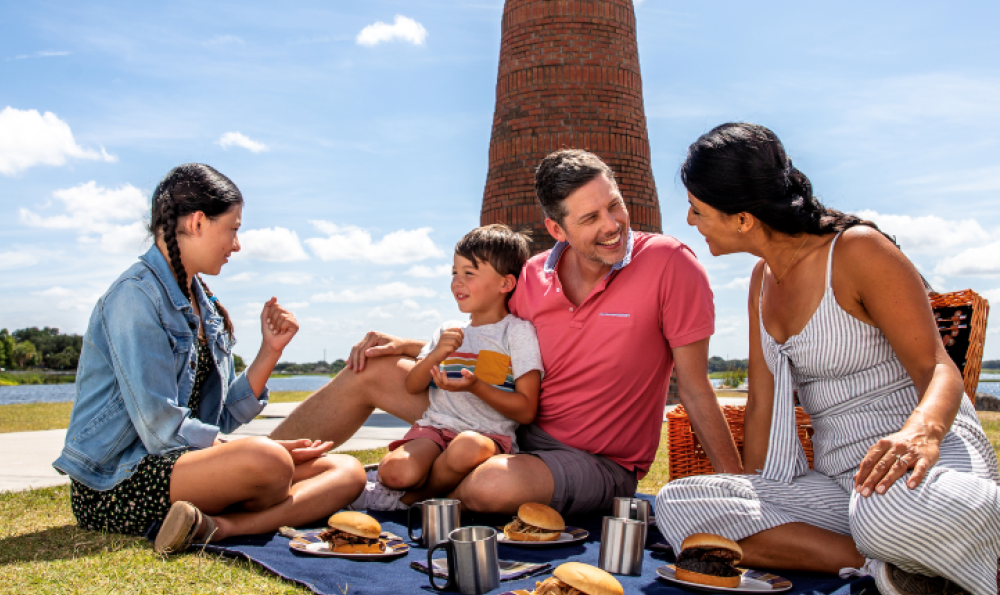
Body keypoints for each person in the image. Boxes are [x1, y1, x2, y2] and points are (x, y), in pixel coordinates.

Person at [274, 149, 742, 514]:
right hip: (510, 424)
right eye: (590, 218)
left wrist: (744, 496)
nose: (613, 226)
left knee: (491, 484)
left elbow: (697, 389)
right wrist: (412, 346)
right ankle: (255, 471)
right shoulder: (534, 275)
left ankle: (405, 492)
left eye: (613, 206)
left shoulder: (669, 264)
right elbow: (490, 339)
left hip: (596, 461)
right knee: (371, 369)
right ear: (556, 228)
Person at [655, 123, 1000, 595]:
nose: (691, 221)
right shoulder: (760, 282)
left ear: (743, 219)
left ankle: (938, 541)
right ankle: (884, 566)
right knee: (680, 504)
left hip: (923, 461)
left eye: (698, 209)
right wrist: (751, 491)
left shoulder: (858, 251)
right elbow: (762, 405)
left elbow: (937, 367)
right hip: (843, 484)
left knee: (884, 511)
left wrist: (920, 433)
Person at [53, 164, 365, 554]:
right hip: (118, 480)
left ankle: (218, 527)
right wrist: (261, 453)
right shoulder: (135, 297)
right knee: (269, 461)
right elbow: (159, 428)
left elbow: (218, 420)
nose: (237, 244)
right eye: (233, 229)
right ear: (198, 222)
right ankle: (249, 492)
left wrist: (271, 351)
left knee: (347, 471)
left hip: (186, 465)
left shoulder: (205, 305)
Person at [363, 224, 542, 510]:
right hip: (436, 430)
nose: (457, 282)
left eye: (469, 273)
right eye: (454, 273)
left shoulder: (517, 333)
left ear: (505, 284)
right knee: (395, 472)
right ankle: (412, 490)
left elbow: (526, 409)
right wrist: (434, 356)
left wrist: (476, 386)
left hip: (487, 437)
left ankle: (412, 500)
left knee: (466, 447)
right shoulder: (448, 329)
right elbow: (413, 385)